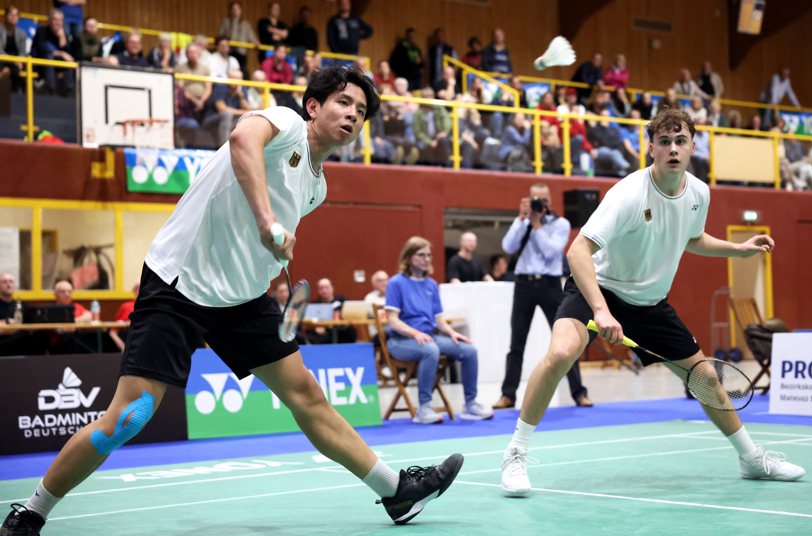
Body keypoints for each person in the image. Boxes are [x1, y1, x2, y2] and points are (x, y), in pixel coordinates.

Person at [1, 65, 463, 535]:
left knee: (308, 397)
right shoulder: (282, 125)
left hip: (241, 298)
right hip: (179, 283)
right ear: (313, 106)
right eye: (344, 102)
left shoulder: (317, 187)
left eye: (361, 112)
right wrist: (267, 222)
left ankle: (395, 491)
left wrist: (272, 258)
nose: (352, 115)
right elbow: (243, 141)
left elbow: (255, 238)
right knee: (129, 416)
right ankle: (32, 509)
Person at [499, 109, 805, 498]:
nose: (673, 149)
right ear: (651, 149)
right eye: (664, 142)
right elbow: (578, 251)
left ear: (693, 146)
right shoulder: (628, 193)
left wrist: (737, 251)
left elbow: (691, 237)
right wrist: (600, 309)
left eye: (680, 141)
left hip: (649, 302)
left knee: (706, 378)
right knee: (561, 352)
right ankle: (516, 454)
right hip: (599, 287)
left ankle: (751, 459)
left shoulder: (699, 193)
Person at [494, 183, 591, 410]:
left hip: (549, 285)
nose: (540, 204)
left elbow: (552, 251)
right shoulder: (524, 222)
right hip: (523, 284)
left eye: (544, 200)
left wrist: (537, 225)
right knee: (516, 341)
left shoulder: (560, 224)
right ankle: (508, 395)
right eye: (535, 200)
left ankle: (579, 393)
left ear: (550, 201)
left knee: (567, 339)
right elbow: (507, 246)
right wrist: (521, 219)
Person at [385, 236, 493, 424]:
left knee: (469, 350)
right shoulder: (396, 283)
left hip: (430, 337)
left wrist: (453, 333)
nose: (427, 259)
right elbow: (392, 320)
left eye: (429, 255)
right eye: (421, 255)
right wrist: (415, 333)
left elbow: (439, 321)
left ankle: (470, 404)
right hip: (401, 341)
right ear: (409, 257)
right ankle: (424, 408)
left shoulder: (432, 285)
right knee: (430, 350)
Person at [108, 283, 139, 352]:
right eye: (137, 289)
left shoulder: (149, 306)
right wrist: (123, 346)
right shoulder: (126, 306)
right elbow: (113, 331)